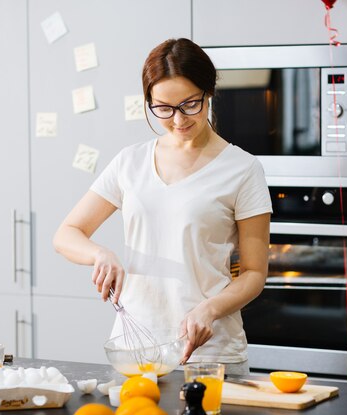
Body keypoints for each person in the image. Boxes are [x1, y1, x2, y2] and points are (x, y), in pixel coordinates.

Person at [53, 38, 272, 375]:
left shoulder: (242, 169)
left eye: (189, 104)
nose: (177, 119)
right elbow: (67, 234)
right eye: (163, 108)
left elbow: (255, 273)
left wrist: (210, 310)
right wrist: (100, 254)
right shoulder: (130, 162)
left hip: (210, 354)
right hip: (136, 350)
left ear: (208, 92)